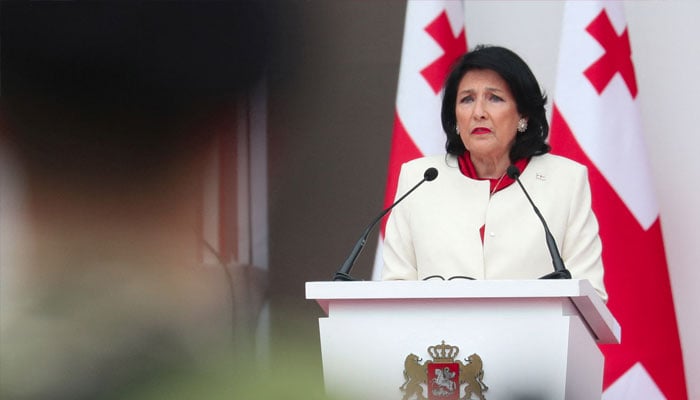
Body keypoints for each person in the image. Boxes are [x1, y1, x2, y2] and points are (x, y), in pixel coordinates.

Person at [381, 45, 607, 301]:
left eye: (494, 98)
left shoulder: (565, 181)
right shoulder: (419, 179)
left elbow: (590, 295)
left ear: (523, 114)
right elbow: (395, 289)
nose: (479, 112)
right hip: (440, 341)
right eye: (467, 99)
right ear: (455, 117)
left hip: (532, 340)